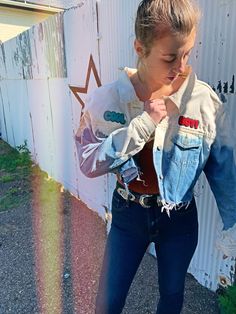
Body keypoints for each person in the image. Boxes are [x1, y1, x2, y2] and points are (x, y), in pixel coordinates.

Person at [75, 0, 236, 313]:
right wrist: (141, 126)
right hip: (128, 215)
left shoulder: (204, 102)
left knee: (172, 296)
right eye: (169, 57)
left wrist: (233, 224)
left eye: (187, 53)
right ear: (140, 47)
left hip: (180, 220)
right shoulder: (106, 100)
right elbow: (88, 161)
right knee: (107, 303)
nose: (180, 66)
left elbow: (224, 170)